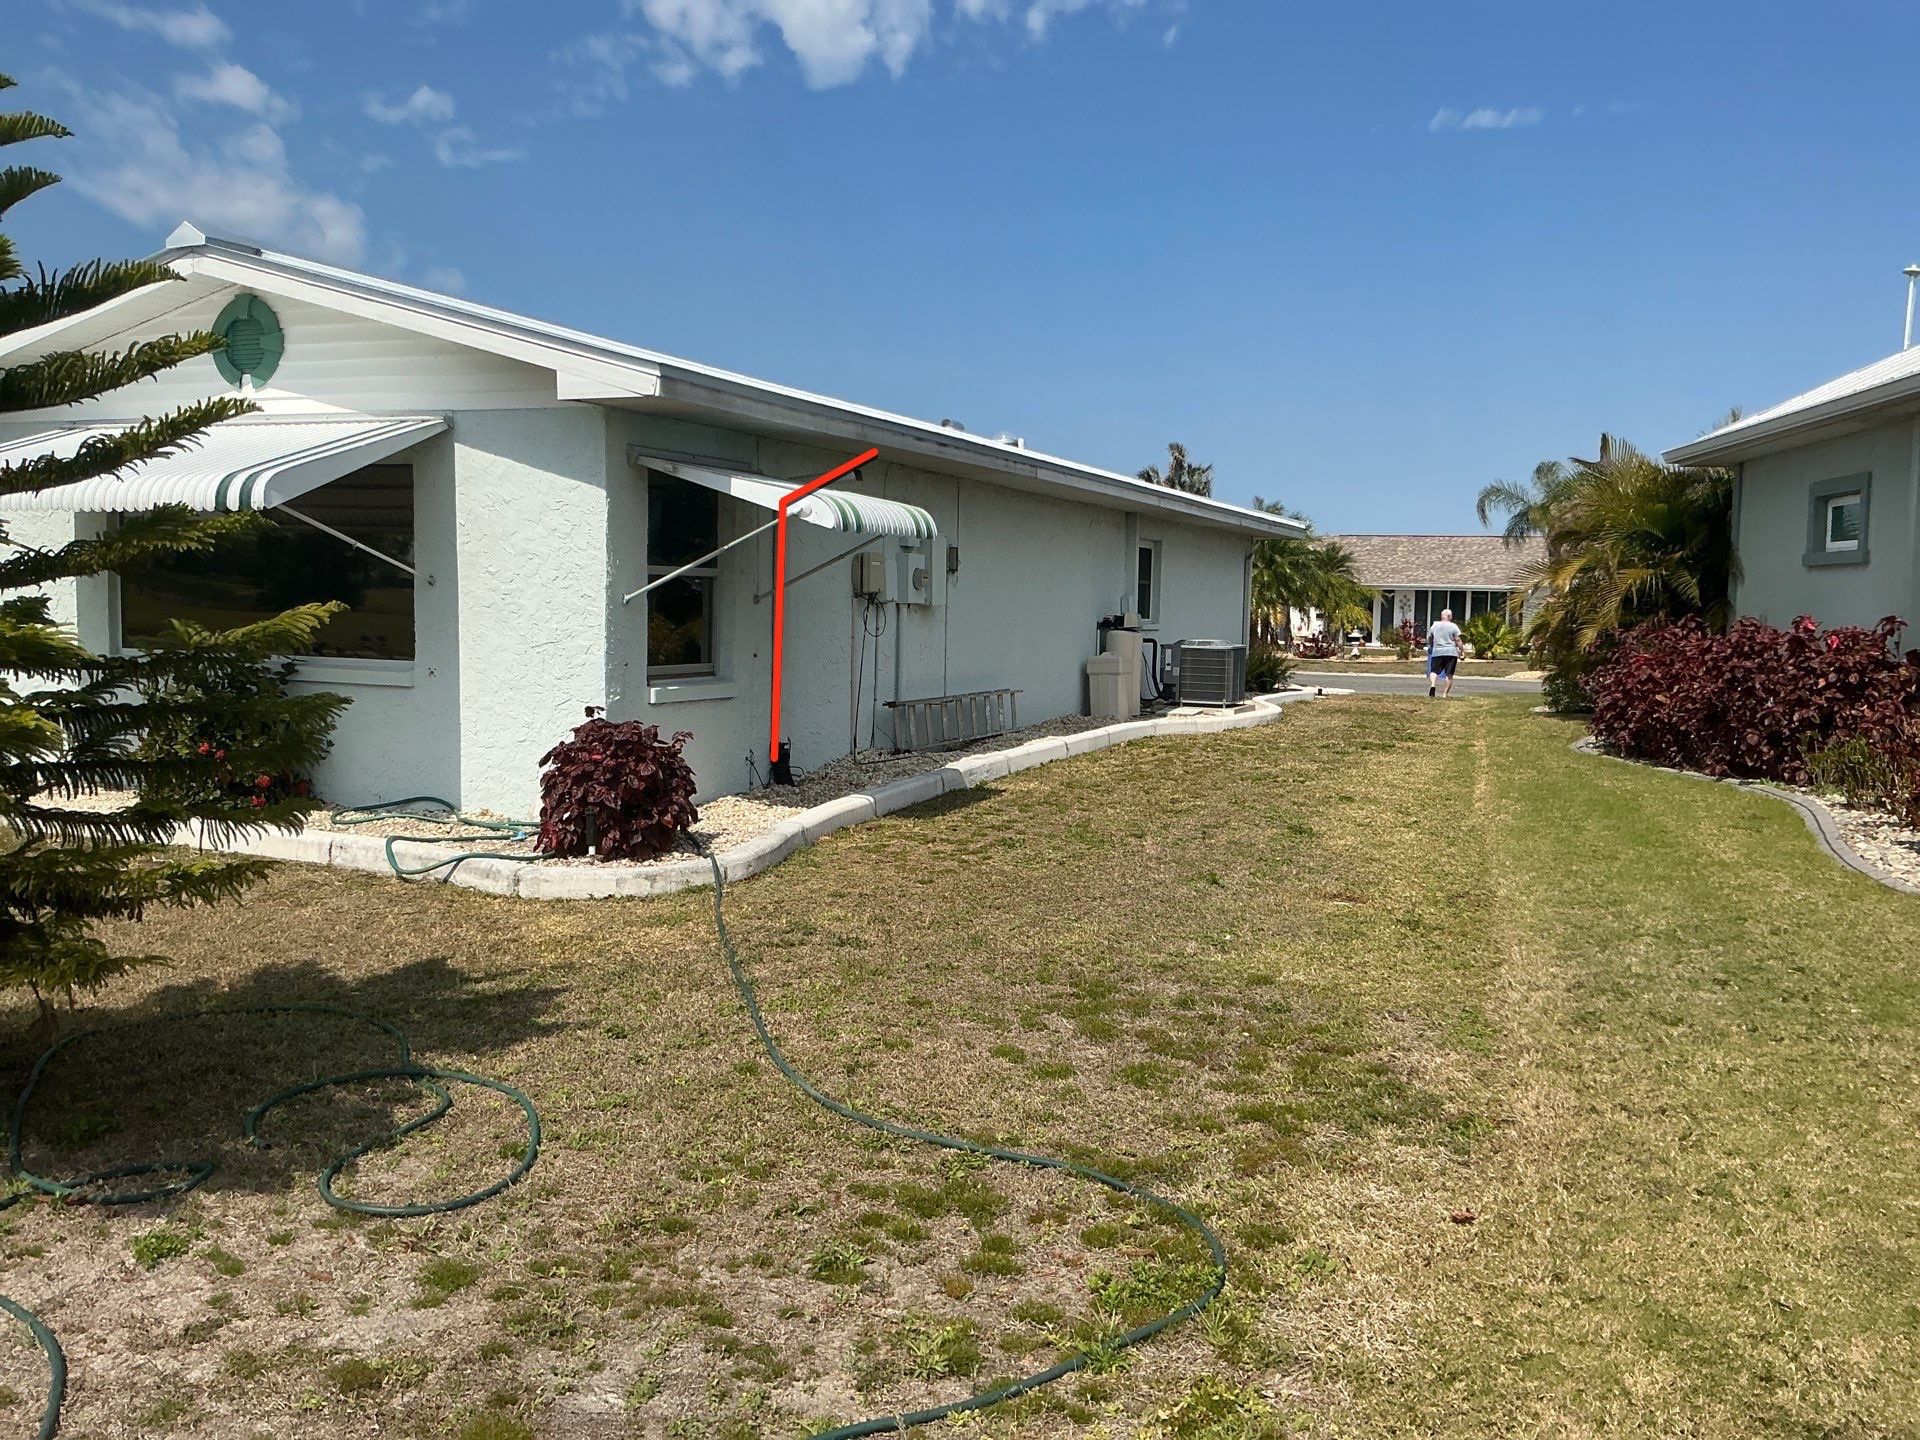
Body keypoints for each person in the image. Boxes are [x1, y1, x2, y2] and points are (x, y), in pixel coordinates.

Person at [1427, 608, 1463, 698]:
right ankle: (1445, 694)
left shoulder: (1434, 626)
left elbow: (1430, 638)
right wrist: (1462, 650)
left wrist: (1431, 646)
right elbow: (1457, 639)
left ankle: (1433, 685)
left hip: (1437, 651)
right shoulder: (1453, 626)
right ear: (1449, 616)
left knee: (1433, 671)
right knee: (1449, 674)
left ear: (1441, 616)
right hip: (1450, 652)